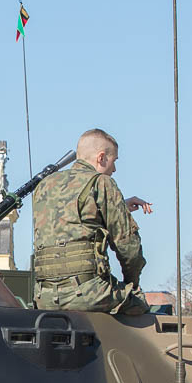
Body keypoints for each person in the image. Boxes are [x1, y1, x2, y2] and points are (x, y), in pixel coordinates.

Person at [31, 129, 153, 314]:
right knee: (139, 303)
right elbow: (128, 247)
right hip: (88, 295)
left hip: (44, 298)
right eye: (114, 161)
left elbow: (70, 221)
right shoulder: (102, 183)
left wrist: (119, 206)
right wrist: (132, 284)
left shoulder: (44, 186)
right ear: (101, 157)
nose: (114, 169)